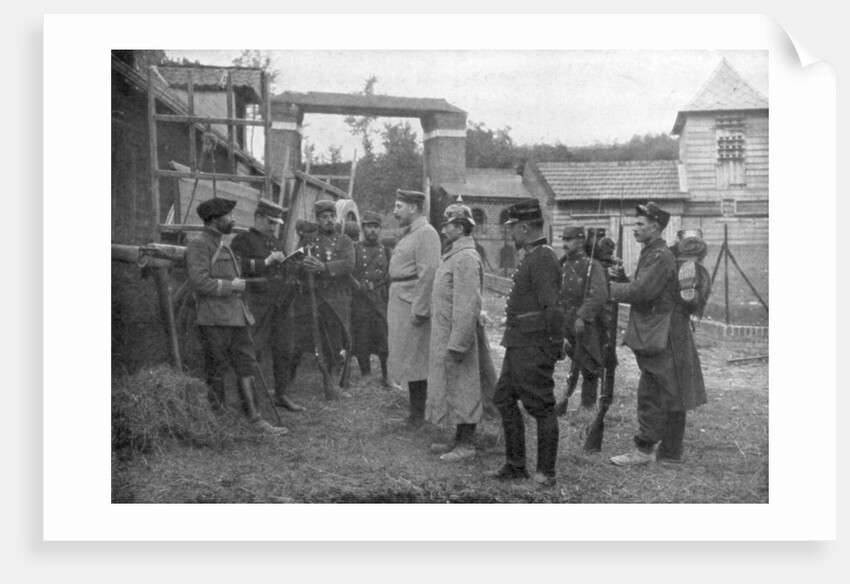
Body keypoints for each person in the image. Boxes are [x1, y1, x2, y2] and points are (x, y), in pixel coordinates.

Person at [608, 202, 707, 465]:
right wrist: (622, 279)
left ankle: (645, 451)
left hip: (664, 333)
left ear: (655, 226)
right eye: (635, 223)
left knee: (653, 392)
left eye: (640, 224)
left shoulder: (659, 256)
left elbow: (642, 292)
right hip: (667, 331)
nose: (634, 228)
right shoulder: (653, 253)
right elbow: (646, 287)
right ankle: (670, 453)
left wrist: (608, 289)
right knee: (671, 391)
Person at [185, 197, 286, 435]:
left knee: (246, 365)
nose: (233, 219)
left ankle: (255, 419)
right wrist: (231, 286)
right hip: (214, 319)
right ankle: (218, 423)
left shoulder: (223, 244)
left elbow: (239, 269)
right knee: (217, 370)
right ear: (214, 219)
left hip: (237, 317)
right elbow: (199, 282)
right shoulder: (200, 245)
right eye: (228, 216)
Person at [484, 199, 566, 488]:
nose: (510, 233)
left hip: (533, 345)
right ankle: (516, 465)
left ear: (525, 227)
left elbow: (552, 308)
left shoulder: (542, 257)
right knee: (503, 398)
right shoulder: (534, 255)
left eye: (513, 228)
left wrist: (554, 344)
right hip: (519, 344)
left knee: (541, 406)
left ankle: (546, 473)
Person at [425, 202, 496, 462]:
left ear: (461, 227)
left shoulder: (465, 257)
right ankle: (458, 438)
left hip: (459, 337)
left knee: (465, 388)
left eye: (448, 225)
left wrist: (458, 343)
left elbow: (468, 305)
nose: (443, 230)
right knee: (455, 387)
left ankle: (467, 444)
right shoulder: (455, 254)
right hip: (448, 333)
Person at [230, 198, 305, 413]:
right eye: (270, 222)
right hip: (257, 304)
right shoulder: (242, 240)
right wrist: (266, 262)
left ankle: (281, 394)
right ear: (258, 217)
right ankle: (249, 402)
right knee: (252, 351)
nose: (273, 227)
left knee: (284, 349)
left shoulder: (276, 243)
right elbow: (235, 266)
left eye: (276, 223)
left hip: (281, 304)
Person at [287, 200, 355, 394]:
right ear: (317, 219)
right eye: (324, 217)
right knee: (298, 341)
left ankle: (331, 385)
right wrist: (302, 266)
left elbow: (349, 264)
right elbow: (292, 263)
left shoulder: (344, 240)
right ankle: (287, 383)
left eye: (332, 216)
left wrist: (324, 267)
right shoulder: (308, 240)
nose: (329, 220)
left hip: (333, 300)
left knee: (334, 343)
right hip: (310, 298)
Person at [387, 189, 441, 428]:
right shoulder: (411, 233)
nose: (395, 211)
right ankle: (415, 412)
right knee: (407, 357)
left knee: (417, 360)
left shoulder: (426, 233)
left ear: (413, 207)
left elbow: (429, 273)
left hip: (412, 304)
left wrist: (420, 308)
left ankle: (418, 415)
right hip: (401, 300)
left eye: (398, 206)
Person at [558, 225, 608, 410]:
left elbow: (600, 294)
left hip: (584, 323)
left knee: (589, 364)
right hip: (565, 320)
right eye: (563, 239)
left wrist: (582, 316)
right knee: (572, 361)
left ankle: (587, 405)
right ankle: (563, 401)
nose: (564, 244)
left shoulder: (592, 265)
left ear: (580, 242)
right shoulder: (562, 264)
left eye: (568, 240)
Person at [350, 211, 392, 386]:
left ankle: (387, 375)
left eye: (376, 227)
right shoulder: (355, 249)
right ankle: (365, 374)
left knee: (383, 338)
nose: (373, 230)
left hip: (380, 300)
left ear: (380, 229)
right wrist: (357, 285)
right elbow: (348, 272)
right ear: (363, 228)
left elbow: (390, 277)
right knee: (362, 337)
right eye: (369, 226)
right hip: (361, 300)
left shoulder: (386, 251)